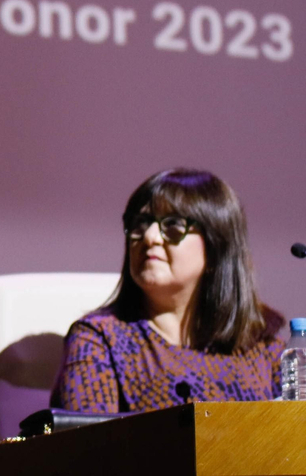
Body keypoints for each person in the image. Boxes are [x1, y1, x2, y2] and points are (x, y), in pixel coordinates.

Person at [51, 168, 285, 412]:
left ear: (217, 247)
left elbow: (303, 439)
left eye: (173, 225)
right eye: (140, 224)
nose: (149, 237)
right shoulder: (99, 339)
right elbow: (91, 446)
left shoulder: (263, 342)